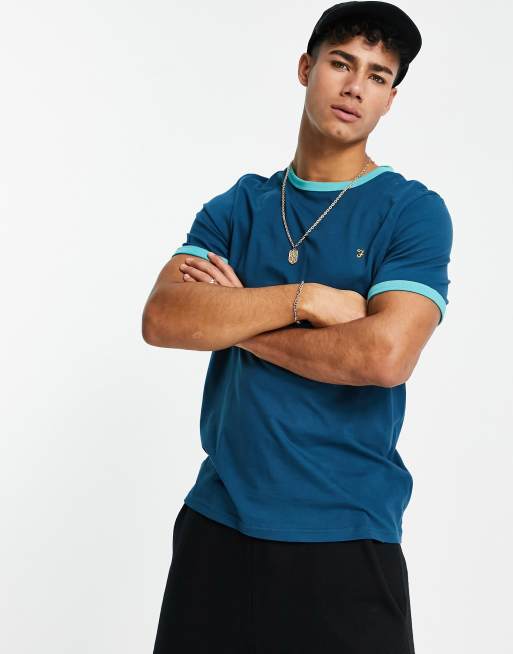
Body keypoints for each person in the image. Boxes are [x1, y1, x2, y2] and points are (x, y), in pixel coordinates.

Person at [142, 2, 453, 652]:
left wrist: (233, 320)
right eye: (341, 63)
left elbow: (383, 356)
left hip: (346, 536)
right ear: (306, 68)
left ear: (390, 99)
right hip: (217, 528)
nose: (354, 87)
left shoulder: (410, 211)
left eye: (376, 75)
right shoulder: (237, 207)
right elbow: (164, 317)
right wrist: (305, 299)